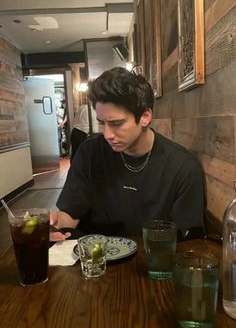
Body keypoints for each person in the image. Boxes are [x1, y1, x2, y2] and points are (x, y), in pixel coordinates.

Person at [50, 67, 206, 241]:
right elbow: (70, 214)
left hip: (152, 262)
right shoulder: (89, 153)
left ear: (145, 116)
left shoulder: (182, 167)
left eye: (116, 123)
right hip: (96, 258)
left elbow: (189, 241)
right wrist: (56, 222)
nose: (107, 134)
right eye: (102, 123)